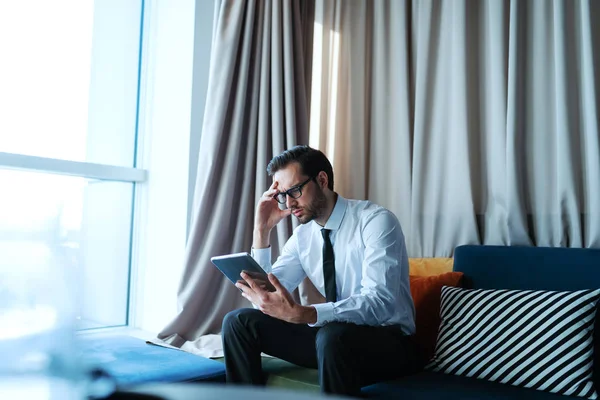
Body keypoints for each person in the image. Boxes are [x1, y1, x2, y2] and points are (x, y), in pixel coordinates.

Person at [221, 145, 419, 396]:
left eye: (294, 191)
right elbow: (268, 294)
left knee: (332, 336)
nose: (289, 203)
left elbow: (380, 303)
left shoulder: (375, 221)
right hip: (332, 342)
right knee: (238, 322)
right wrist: (261, 231)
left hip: (390, 343)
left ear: (322, 180)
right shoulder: (303, 236)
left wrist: (307, 314)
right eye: (282, 195)